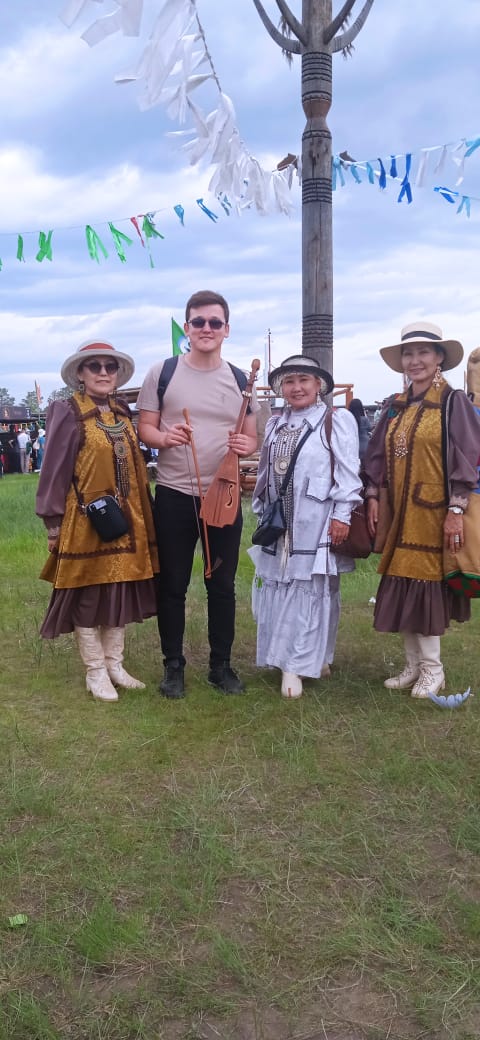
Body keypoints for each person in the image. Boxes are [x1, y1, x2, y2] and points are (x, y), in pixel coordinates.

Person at [137, 289, 259, 699]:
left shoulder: (241, 380)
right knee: (172, 584)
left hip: (223, 495)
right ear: (187, 328)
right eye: (199, 322)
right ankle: (173, 666)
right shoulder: (163, 372)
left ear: (227, 329)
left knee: (221, 584)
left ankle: (220, 667)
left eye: (215, 322)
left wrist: (245, 445)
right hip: (175, 494)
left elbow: (251, 436)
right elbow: (146, 428)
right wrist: (165, 437)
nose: (207, 329)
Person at [36, 340, 159, 702]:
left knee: (118, 591)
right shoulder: (68, 411)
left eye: (110, 367)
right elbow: (54, 469)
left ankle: (114, 665)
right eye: (95, 366)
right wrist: (53, 523)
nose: (104, 373)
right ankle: (95, 671)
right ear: (80, 373)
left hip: (128, 519)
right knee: (89, 596)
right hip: (88, 519)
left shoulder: (121, 412)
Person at [365, 322, 480, 699]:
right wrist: (373, 495)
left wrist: (456, 509)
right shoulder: (396, 406)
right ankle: (413, 665)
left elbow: (467, 456)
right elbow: (377, 455)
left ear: (439, 358)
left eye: (423, 353)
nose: (415, 361)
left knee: (425, 586)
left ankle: (433, 669)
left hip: (434, 513)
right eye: (408, 354)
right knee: (402, 583)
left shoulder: (452, 402)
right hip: (400, 514)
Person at [249, 354, 362, 699]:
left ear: (319, 385)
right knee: (280, 586)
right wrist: (262, 506)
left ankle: (298, 663)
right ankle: (298, 659)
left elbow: (348, 471)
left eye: (303, 380)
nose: (296, 388)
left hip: (316, 520)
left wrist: (342, 514)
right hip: (279, 523)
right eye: (289, 381)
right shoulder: (275, 424)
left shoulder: (335, 420)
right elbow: (266, 471)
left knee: (310, 589)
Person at [348, 397, 372, 469]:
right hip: (365, 446)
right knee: (365, 468)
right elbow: (370, 428)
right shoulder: (364, 419)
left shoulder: (349, 419)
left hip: (352, 447)